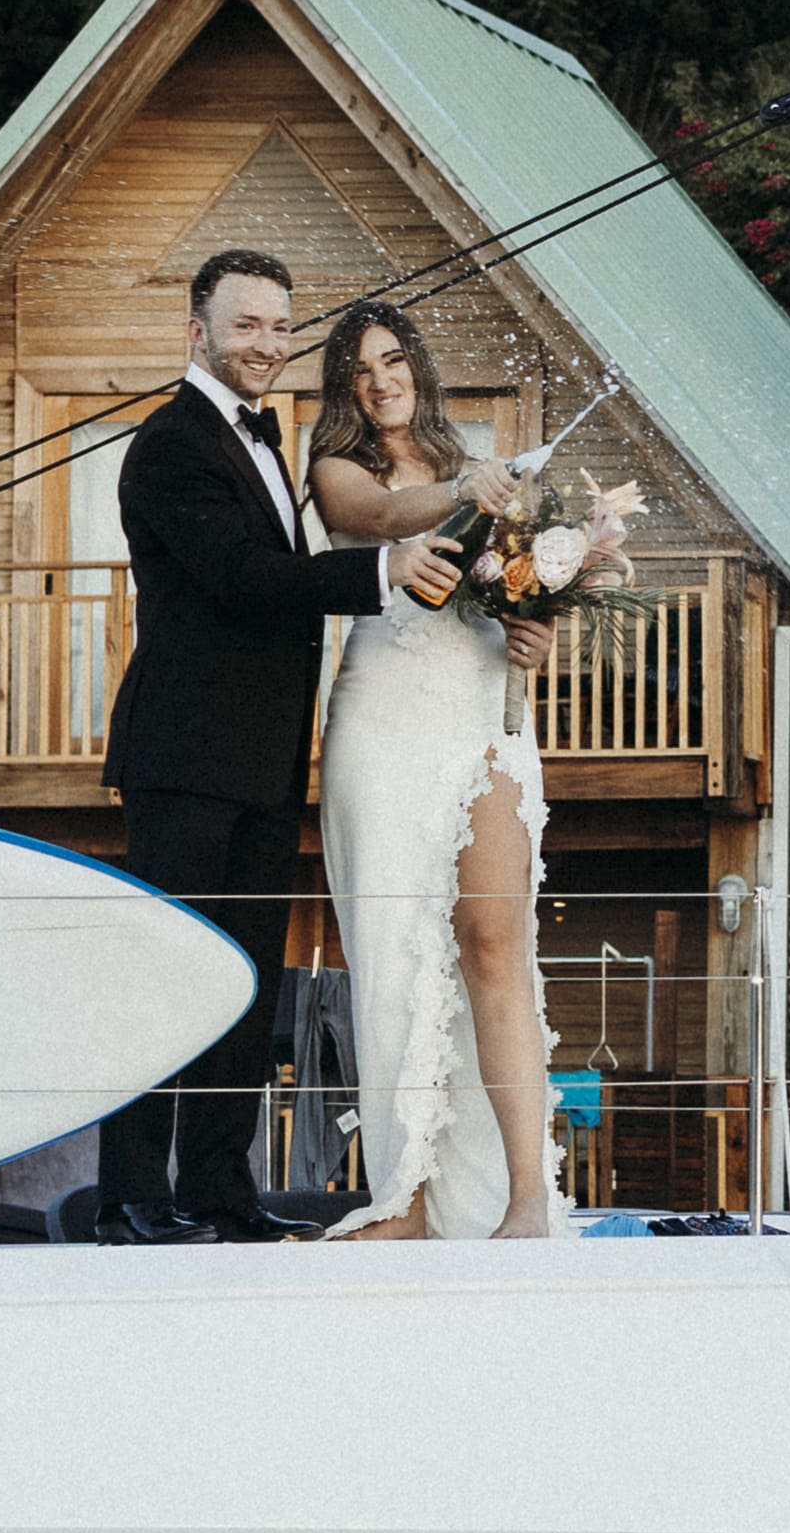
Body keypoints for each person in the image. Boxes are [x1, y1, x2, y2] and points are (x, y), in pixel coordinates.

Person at [92, 247, 498, 1241]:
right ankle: (132, 1196)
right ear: (198, 333)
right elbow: (236, 578)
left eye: (279, 328)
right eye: (245, 326)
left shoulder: (265, 442)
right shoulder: (169, 443)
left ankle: (220, 1193)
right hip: (186, 755)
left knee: (246, 980)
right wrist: (378, 573)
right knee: (169, 973)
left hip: (266, 760)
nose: (266, 345)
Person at [303, 300, 575, 1238]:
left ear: (415, 366)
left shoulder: (481, 470)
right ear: (343, 388)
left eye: (390, 361)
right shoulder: (340, 469)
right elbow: (380, 517)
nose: (379, 381)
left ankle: (526, 1199)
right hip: (382, 718)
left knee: (495, 947)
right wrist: (471, 484)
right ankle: (406, 1200)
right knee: (394, 956)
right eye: (357, 370)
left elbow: (513, 590)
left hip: (481, 715)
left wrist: (531, 625)